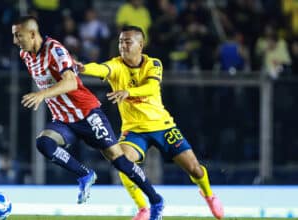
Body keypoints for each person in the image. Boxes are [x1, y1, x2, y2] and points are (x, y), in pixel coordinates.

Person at [12, 16, 165, 220]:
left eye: (18, 36)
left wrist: (41, 94)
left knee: (119, 161)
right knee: (44, 143)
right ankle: (84, 174)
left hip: (86, 113)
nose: (15, 41)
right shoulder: (25, 54)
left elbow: (71, 83)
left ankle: (156, 200)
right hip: (64, 119)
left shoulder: (55, 51)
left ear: (32, 34)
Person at [77, 25, 224, 220]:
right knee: (122, 162)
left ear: (141, 45)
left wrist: (129, 92)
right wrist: (84, 68)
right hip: (134, 131)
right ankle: (143, 209)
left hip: (162, 127)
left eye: (128, 42)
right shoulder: (116, 65)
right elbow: (101, 68)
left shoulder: (154, 64)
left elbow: (151, 87)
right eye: (120, 42)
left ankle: (208, 194)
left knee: (194, 169)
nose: (123, 46)